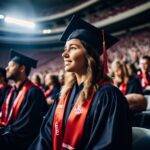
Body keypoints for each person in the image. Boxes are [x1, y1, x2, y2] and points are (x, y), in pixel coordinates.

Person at [29, 15, 131, 150]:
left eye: (73, 48)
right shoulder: (63, 96)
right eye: (65, 49)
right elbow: (45, 136)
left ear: (90, 55)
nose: (64, 54)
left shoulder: (108, 96)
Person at [0, 51, 48, 150]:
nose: (6, 68)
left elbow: (23, 129)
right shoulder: (11, 92)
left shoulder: (34, 93)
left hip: (24, 144)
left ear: (22, 68)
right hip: (8, 137)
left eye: (11, 65)